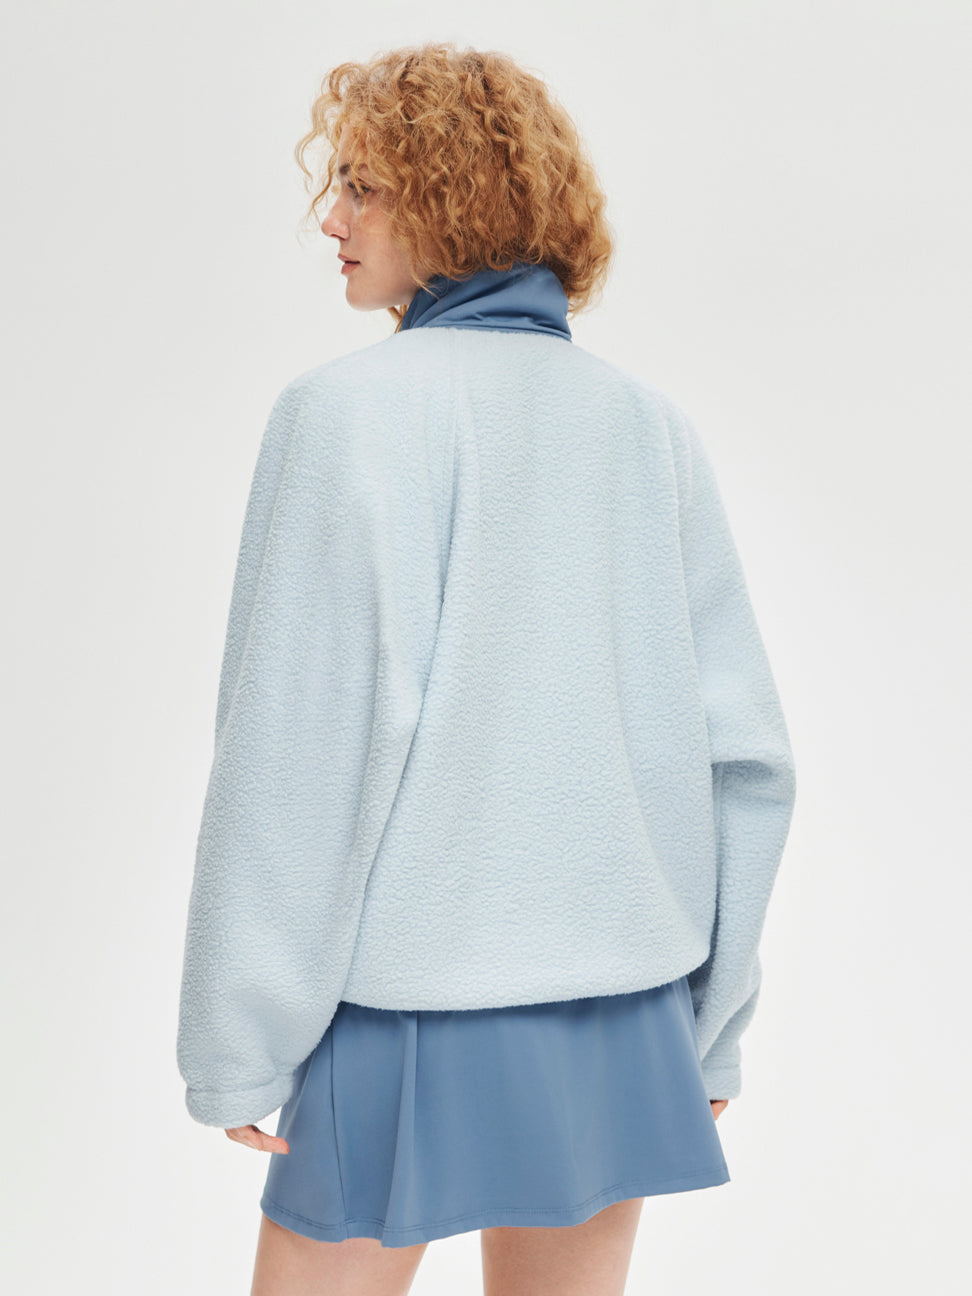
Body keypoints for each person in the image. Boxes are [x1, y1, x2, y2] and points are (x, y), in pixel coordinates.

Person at [176, 41, 796, 1296]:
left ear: (449, 199)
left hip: (407, 1008)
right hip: (624, 1013)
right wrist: (711, 1027)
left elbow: (298, 754)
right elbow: (747, 760)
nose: (331, 219)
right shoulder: (647, 427)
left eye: (364, 187)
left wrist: (237, 1038)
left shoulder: (345, 414)